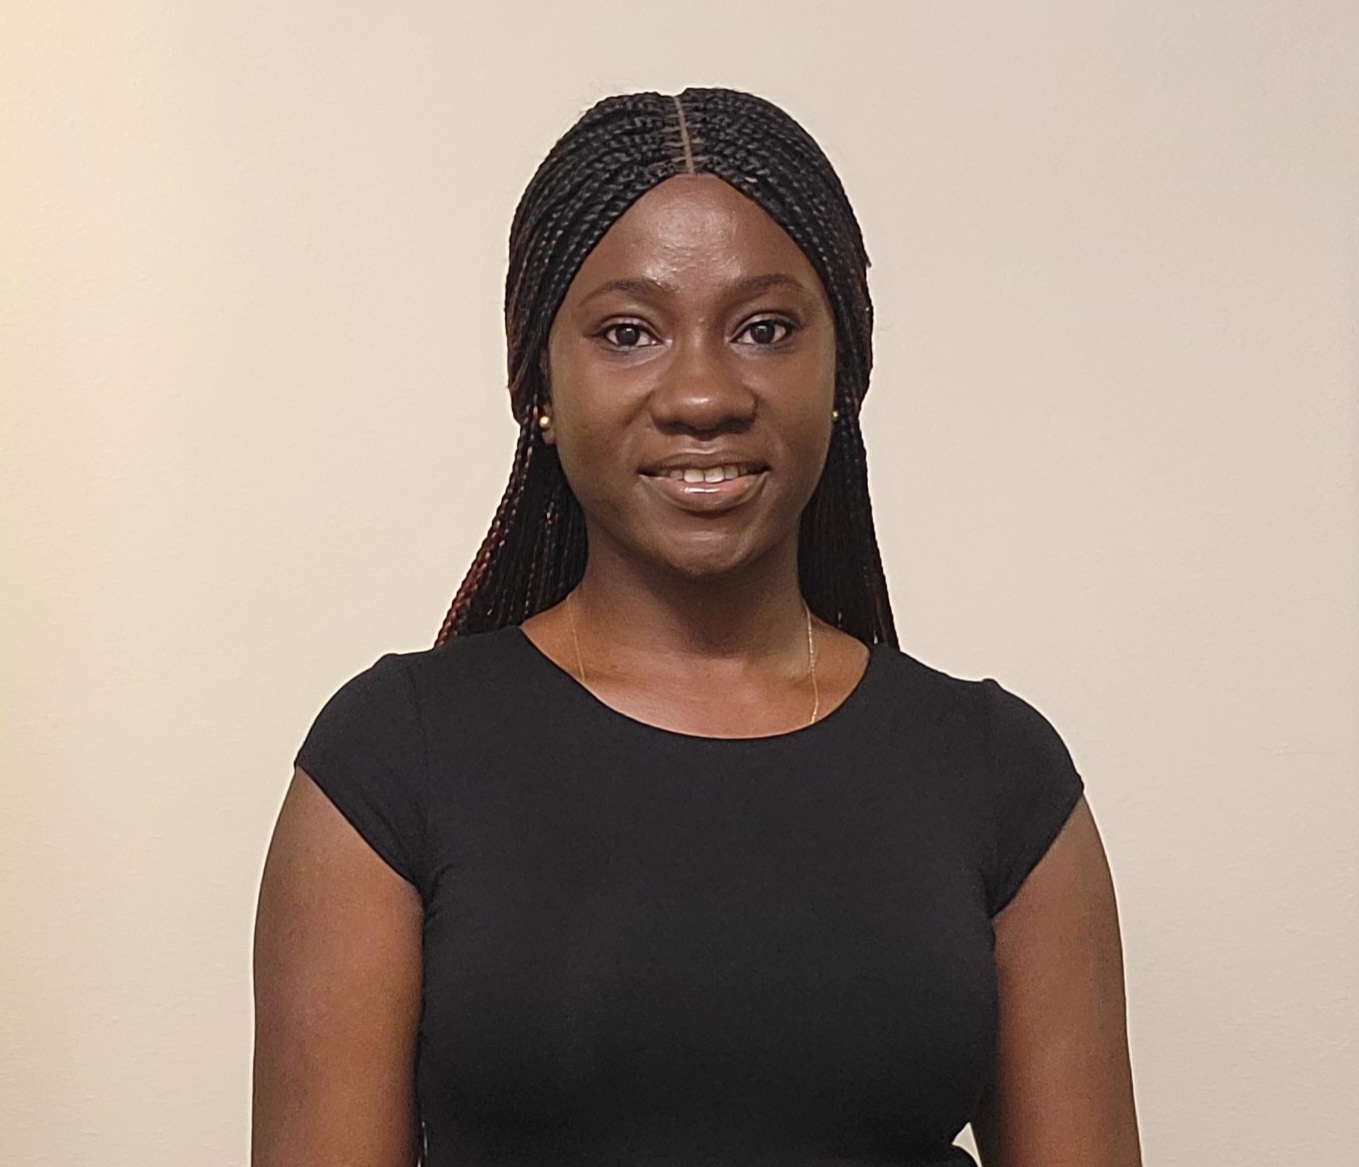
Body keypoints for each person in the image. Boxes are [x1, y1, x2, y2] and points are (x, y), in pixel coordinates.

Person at [252, 87, 1142, 1167]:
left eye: (764, 329)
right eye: (628, 333)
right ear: (538, 381)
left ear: (843, 372)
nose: (703, 393)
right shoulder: (392, 767)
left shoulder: (1000, 780)